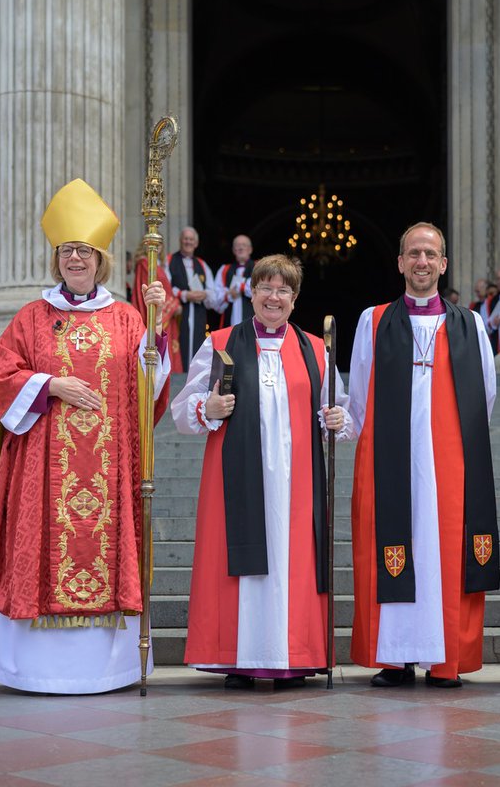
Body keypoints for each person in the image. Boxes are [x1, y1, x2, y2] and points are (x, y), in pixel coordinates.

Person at [0, 178, 171, 694]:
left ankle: (108, 670)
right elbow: (1, 379)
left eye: (85, 251)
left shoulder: (128, 318)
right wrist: (50, 384)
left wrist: (158, 329)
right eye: (67, 251)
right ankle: (35, 670)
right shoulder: (31, 318)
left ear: (101, 259)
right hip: (42, 469)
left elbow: (150, 386)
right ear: (56, 258)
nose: (76, 259)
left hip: (109, 475)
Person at [173, 254, 354, 688]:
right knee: (242, 566)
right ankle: (239, 660)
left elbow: (341, 412)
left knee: (293, 566)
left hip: (298, 483)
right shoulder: (219, 342)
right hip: (235, 481)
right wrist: (207, 407)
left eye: (284, 290)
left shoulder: (314, 348)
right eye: (267, 288)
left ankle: (292, 657)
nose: (274, 297)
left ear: (295, 299)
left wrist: (336, 420)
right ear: (252, 292)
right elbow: (182, 411)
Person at [348, 222, 499, 689]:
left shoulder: (469, 324)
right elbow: (358, 395)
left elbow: (486, 398)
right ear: (399, 263)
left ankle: (444, 658)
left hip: (449, 463)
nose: (422, 262)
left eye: (431, 255)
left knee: (444, 554)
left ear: (444, 264)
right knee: (394, 547)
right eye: (413, 253)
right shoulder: (372, 320)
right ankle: (395, 658)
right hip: (389, 462)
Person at [166, 226, 219, 370]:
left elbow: (213, 294)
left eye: (191, 239)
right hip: (178, 314)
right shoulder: (169, 260)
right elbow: (166, 287)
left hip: (198, 314)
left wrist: (205, 294)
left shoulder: (202, 265)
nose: (188, 242)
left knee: (198, 346)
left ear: (196, 243)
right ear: (180, 240)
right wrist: (185, 295)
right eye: (185, 238)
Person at [131, 239, 183, 372]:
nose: (157, 247)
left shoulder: (159, 264)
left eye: (160, 244)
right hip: (159, 310)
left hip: (166, 311)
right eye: (153, 244)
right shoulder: (144, 263)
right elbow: (149, 288)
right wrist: (173, 304)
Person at [212, 234, 256, 328]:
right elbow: (215, 300)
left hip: (254, 324)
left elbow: (261, 289)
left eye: (244, 245)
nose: (240, 248)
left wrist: (242, 286)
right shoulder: (224, 270)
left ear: (250, 249)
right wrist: (228, 295)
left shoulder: (259, 267)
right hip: (229, 324)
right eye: (237, 245)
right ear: (233, 250)